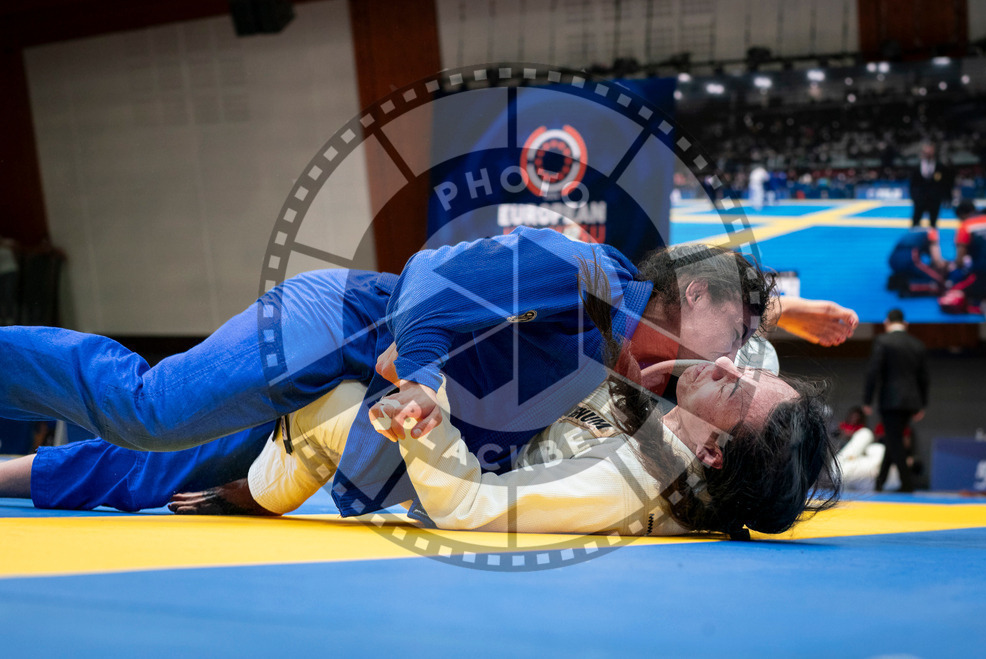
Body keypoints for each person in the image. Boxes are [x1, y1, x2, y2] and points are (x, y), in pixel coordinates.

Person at [0, 228, 856, 518]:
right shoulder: (580, 271)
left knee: (181, 472)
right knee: (150, 412)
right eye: (737, 332)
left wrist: (785, 310)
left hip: (348, 410)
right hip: (330, 331)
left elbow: (746, 405)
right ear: (692, 294)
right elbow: (427, 283)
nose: (731, 357)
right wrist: (421, 377)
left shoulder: (654, 372)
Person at [0, 353, 839, 537]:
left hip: (387, 445)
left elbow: (469, 504)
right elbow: (746, 357)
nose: (730, 365)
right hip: (412, 421)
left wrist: (423, 413)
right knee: (184, 438)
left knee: (174, 423)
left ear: (716, 453)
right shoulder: (685, 437)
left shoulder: (621, 481)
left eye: (734, 385)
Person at [862, 308, 928, 492]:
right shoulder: (917, 344)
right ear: (905, 324)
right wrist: (922, 404)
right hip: (911, 401)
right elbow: (924, 378)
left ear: (886, 323)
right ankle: (880, 482)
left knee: (894, 440)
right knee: (894, 438)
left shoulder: (883, 341)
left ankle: (907, 484)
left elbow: (873, 372)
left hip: (890, 400)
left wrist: (867, 400)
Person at [886, 226, 947, 296]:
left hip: (893, 259)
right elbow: (936, 260)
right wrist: (940, 279)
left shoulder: (915, 232)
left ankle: (900, 282)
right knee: (929, 275)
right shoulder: (932, 233)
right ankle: (910, 287)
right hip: (908, 257)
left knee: (913, 272)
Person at [909, 143, 953, 228]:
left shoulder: (940, 166)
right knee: (916, 220)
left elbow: (945, 182)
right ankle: (914, 238)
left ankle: (932, 238)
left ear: (934, 152)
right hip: (919, 199)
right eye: (926, 152)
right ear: (923, 152)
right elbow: (912, 183)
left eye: (930, 151)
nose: (928, 153)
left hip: (934, 199)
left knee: (933, 222)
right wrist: (914, 196)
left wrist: (945, 196)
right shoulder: (916, 166)